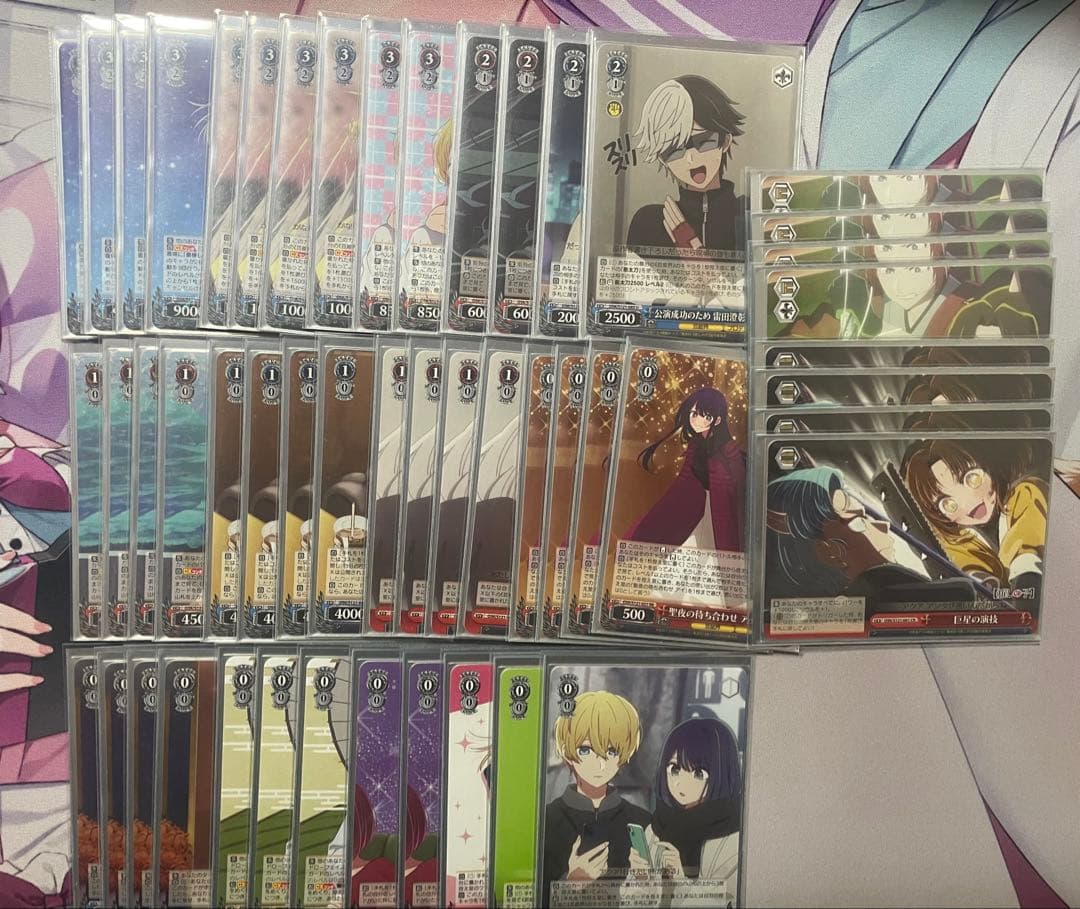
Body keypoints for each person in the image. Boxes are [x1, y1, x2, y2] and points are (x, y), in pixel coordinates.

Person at [765, 466, 980, 608]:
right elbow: (963, 593)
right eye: (861, 521)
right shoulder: (880, 583)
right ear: (830, 552)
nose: (884, 525)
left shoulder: (869, 591)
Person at [542, 691, 651, 897]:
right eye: (585, 750)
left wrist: (645, 885)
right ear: (567, 752)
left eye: (612, 751)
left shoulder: (642, 822)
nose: (600, 764)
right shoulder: (546, 821)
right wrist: (570, 883)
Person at [902, 438, 1046, 589]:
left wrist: (1027, 574)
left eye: (972, 479)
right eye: (949, 504)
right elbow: (966, 567)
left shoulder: (1026, 494)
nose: (967, 503)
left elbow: (1029, 537)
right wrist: (979, 584)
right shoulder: (955, 541)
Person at [629, 717, 742, 905]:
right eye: (674, 769)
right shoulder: (657, 828)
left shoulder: (734, 840)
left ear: (722, 775)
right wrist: (641, 881)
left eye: (698, 773)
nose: (681, 782)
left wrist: (681, 881)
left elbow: (729, 901)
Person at [628, 76, 745, 252]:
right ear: (663, 160)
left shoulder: (749, 214)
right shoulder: (649, 222)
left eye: (702, 141)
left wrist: (694, 252)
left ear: (725, 141)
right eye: (674, 150)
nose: (690, 159)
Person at [625, 388, 745, 553]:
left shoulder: (729, 450)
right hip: (698, 506)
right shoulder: (695, 445)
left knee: (715, 552)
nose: (696, 420)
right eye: (694, 414)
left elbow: (739, 486)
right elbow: (685, 479)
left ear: (717, 420)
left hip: (722, 512)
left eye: (705, 416)